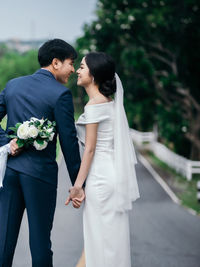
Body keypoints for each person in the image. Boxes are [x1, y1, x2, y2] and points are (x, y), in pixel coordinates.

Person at [0, 39, 82, 267]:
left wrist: (7, 143)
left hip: (11, 172)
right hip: (40, 177)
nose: (73, 70)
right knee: (40, 243)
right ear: (55, 63)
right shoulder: (61, 95)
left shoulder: (14, 85)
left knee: (4, 242)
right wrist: (78, 185)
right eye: (70, 63)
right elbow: (69, 143)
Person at [66, 52, 140, 267]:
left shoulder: (95, 105)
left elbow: (89, 150)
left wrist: (77, 186)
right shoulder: (109, 103)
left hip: (99, 179)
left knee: (99, 239)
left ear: (94, 74)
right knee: (108, 239)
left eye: (82, 67)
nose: (78, 71)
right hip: (111, 175)